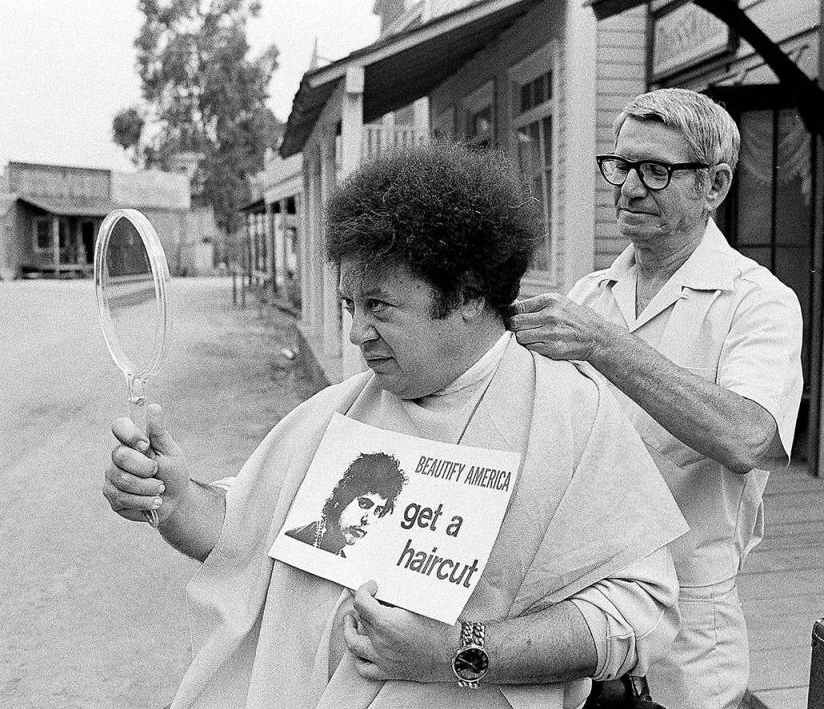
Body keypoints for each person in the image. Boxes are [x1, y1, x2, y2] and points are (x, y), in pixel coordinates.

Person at [103, 141, 688, 709]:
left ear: (467, 295)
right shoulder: (335, 412)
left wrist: (459, 653)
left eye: (379, 307)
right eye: (350, 306)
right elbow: (241, 536)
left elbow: (640, 613)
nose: (356, 332)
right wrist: (174, 500)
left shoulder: (570, 418)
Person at [508, 88, 803, 709]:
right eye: (621, 166)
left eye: (657, 171)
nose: (629, 188)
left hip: (692, 610)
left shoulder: (756, 300)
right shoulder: (590, 295)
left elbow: (750, 437)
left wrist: (604, 346)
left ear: (715, 184)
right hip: (582, 604)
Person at [284, 452, 406, 557]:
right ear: (342, 500)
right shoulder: (295, 539)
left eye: (378, 511)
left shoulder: (340, 558)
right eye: (364, 504)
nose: (367, 520)